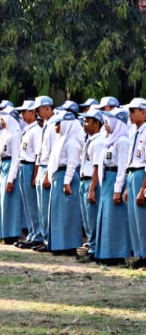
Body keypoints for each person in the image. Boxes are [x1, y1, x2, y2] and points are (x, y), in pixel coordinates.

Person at [94, 107, 132, 262]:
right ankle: (104, 252)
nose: (105, 125)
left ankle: (116, 253)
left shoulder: (122, 141)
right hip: (106, 179)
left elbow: (122, 167)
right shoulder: (108, 141)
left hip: (115, 179)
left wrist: (118, 189)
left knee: (114, 218)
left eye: (108, 121)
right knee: (105, 216)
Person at [45, 111, 84, 254]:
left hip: (66, 178)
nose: (55, 127)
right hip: (58, 177)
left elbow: (72, 164)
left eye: (58, 124)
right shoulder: (61, 139)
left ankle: (69, 245)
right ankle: (58, 244)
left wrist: (67, 182)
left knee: (68, 213)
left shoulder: (72, 142)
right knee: (58, 213)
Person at [78, 108, 106, 260]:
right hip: (84, 180)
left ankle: (94, 247)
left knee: (92, 217)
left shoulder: (99, 142)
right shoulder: (90, 140)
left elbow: (96, 167)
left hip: (91, 181)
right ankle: (90, 243)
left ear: (96, 123)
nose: (84, 123)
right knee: (87, 217)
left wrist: (92, 188)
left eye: (87, 121)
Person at [13, 101, 41, 248]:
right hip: (24, 166)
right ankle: (31, 234)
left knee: (33, 204)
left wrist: (35, 175)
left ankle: (37, 235)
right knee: (27, 204)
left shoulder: (36, 131)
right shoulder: (28, 130)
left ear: (32, 112)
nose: (22, 114)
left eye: (25, 111)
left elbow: (37, 156)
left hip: (31, 167)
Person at [0, 103, 23, 244]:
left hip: (10, 168)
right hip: (2, 168)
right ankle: (2, 232)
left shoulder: (16, 133)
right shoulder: (4, 133)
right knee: (1, 201)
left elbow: (16, 158)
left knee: (10, 202)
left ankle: (11, 234)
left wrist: (11, 178)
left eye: (3, 118)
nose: (1, 121)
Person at [31, 96, 58, 252]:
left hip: (48, 167)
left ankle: (49, 240)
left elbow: (54, 152)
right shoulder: (46, 125)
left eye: (39, 109)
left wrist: (48, 174)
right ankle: (44, 237)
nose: (37, 112)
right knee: (41, 207)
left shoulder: (55, 125)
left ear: (47, 108)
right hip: (41, 166)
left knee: (47, 208)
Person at [124, 98, 146, 266]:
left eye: (133, 111)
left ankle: (145, 255)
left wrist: (143, 188)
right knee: (133, 218)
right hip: (131, 174)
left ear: (143, 112)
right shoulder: (134, 132)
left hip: (141, 175)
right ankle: (138, 254)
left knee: (142, 217)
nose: (130, 115)